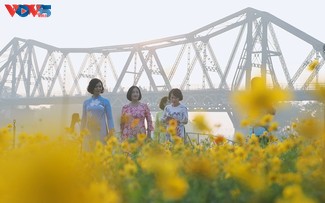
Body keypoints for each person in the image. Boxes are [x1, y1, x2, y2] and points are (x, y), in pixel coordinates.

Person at [81, 78, 115, 150]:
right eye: (96, 86)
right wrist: (81, 132)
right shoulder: (86, 102)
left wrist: (111, 131)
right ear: (92, 87)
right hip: (89, 131)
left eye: (100, 86)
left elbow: (109, 118)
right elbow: (84, 118)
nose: (98, 88)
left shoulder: (106, 101)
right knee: (89, 151)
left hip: (102, 131)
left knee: (101, 151)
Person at [248, 77, 276, 143]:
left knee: (254, 151)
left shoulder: (249, 98)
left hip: (252, 131)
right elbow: (273, 112)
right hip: (263, 130)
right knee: (264, 150)